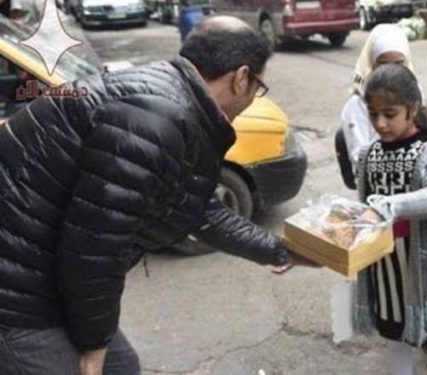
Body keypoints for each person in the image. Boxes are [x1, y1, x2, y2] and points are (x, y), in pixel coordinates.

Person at [0, 16, 294, 375]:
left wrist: (277, 250)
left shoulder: (171, 101)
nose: (253, 96)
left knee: (123, 367)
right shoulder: (158, 118)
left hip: (48, 277)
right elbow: (94, 249)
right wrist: (94, 346)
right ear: (241, 78)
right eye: (258, 87)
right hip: (18, 292)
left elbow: (196, 209)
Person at [353, 64, 427, 375]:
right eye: (373, 114)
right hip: (383, 263)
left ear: (413, 108)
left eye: (390, 113)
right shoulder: (368, 154)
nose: (380, 123)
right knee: (394, 335)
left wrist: (389, 206)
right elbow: (364, 205)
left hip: (421, 265)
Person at [339, 24, 415, 179]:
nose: (391, 71)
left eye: (398, 64)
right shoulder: (358, 104)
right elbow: (360, 159)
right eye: (383, 63)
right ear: (372, 64)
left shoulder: (414, 95)